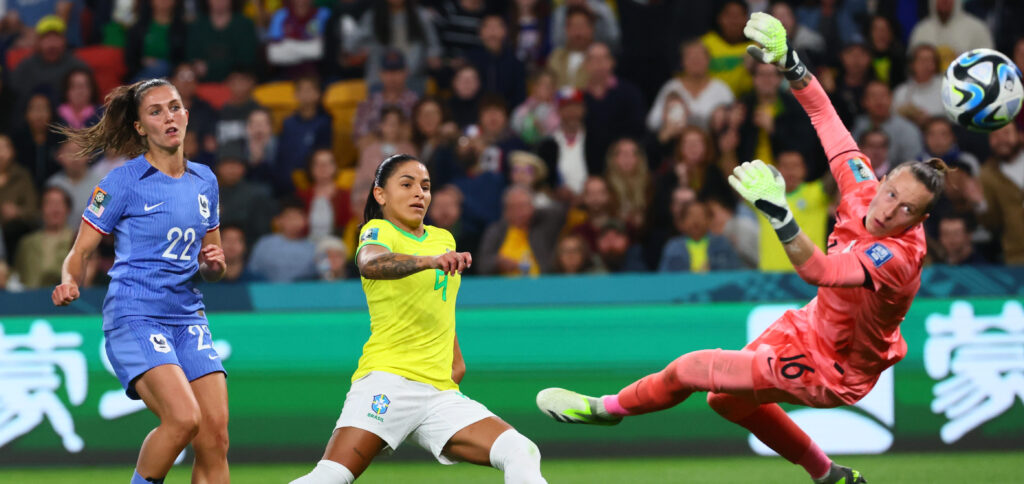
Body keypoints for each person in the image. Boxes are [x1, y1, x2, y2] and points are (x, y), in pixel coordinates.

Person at [537, 13, 951, 484]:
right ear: (883, 177)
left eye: (906, 209)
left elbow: (820, 271)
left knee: (694, 368)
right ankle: (828, 474)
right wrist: (791, 63)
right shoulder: (863, 188)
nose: (889, 209)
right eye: (891, 192)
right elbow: (824, 116)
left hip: (836, 367)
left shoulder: (898, 257)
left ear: (920, 220)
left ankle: (606, 408)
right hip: (809, 325)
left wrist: (779, 212)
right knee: (725, 400)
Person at [290, 153, 547, 484]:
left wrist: (455, 356)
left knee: (521, 452)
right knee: (331, 476)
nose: (419, 193)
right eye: (407, 184)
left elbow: (440, 301)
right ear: (380, 194)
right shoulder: (377, 231)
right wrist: (427, 261)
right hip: (389, 380)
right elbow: (370, 263)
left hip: (439, 392)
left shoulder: (443, 239)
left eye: (425, 186)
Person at [52, 78, 229, 484]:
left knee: (215, 437)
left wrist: (214, 266)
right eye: (156, 111)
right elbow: (79, 252)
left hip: (187, 317)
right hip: (136, 315)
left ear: (186, 113)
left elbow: (211, 264)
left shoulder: (206, 181)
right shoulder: (120, 182)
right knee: (183, 419)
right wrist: (69, 280)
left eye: (175, 106)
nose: (169, 116)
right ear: (138, 127)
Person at [647, 40, 735, 132]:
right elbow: (652, 122)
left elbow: (734, 120)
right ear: (682, 62)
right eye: (691, 58)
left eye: (700, 57)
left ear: (708, 60)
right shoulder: (671, 87)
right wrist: (667, 118)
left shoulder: (721, 88)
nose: (696, 61)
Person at [477, 185, 563, 275]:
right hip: (505, 285)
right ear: (505, 211)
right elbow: (482, 264)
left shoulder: (544, 225)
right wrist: (498, 262)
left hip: (540, 283)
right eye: (513, 207)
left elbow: (561, 211)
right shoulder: (495, 231)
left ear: (532, 207)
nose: (518, 212)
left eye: (522, 206)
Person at [658, 198, 741, 273]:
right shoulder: (673, 247)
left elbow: (735, 271)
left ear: (709, 220)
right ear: (682, 222)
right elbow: (664, 278)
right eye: (691, 216)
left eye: (700, 215)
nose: (696, 220)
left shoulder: (722, 243)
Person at [14, 186, 74, 289]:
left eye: (59, 204)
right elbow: (17, 276)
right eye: (49, 204)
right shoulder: (27, 243)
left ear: (68, 209)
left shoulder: (77, 239)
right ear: (41, 209)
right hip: (31, 298)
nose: (54, 209)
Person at [248, 198, 319, 282]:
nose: (294, 222)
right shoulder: (264, 244)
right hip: (267, 292)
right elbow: (253, 271)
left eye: (298, 217)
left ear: (305, 220)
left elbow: (319, 275)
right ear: (279, 220)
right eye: (290, 217)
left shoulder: (313, 247)